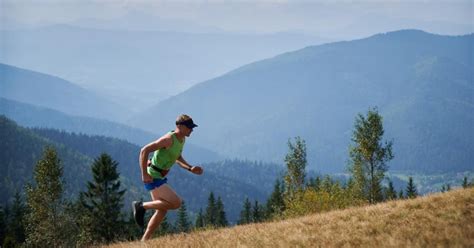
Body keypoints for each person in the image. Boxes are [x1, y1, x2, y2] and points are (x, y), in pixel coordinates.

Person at [132, 114, 203, 241]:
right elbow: (144, 150)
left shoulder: (181, 139)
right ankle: (141, 206)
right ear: (179, 126)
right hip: (153, 176)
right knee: (176, 203)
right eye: (189, 127)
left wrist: (190, 168)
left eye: (192, 127)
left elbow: (177, 157)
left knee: (162, 210)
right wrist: (144, 174)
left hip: (159, 176)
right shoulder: (168, 139)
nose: (191, 130)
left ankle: (144, 241)